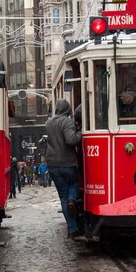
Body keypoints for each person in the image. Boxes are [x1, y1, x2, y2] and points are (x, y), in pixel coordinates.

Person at [45, 99, 83, 240]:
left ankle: (72, 229)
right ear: (67, 110)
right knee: (74, 183)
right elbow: (71, 140)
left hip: (53, 164)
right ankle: (72, 199)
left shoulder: (49, 123)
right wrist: (80, 132)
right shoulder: (66, 122)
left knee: (62, 196)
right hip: (68, 163)